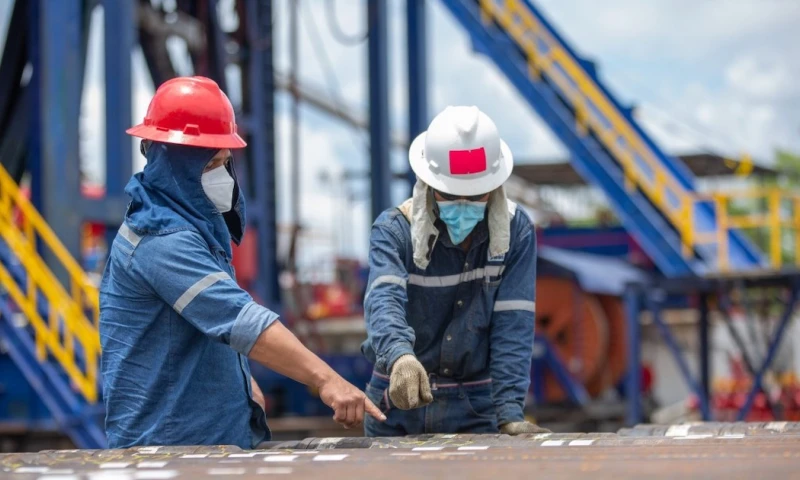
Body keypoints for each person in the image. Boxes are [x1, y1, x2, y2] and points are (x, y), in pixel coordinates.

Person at [100, 76, 383, 449]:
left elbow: (201, 325)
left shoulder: (189, 226)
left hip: (199, 448)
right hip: (168, 451)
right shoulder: (161, 240)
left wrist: (239, 381)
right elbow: (242, 321)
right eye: (212, 162)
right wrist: (327, 380)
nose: (223, 174)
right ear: (176, 164)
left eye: (226, 161)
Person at [361, 106, 548, 436]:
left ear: (494, 185)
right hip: (399, 400)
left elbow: (513, 323)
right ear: (428, 183)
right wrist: (400, 357)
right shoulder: (394, 231)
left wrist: (509, 412)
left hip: (476, 404)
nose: (463, 204)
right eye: (450, 194)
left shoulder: (515, 232)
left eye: (475, 195)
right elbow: (383, 302)